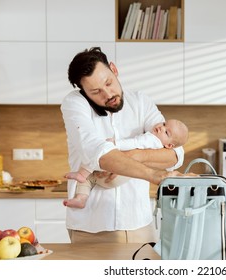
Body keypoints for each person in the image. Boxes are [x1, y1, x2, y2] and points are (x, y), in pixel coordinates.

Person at [61, 47, 185, 243]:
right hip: (92, 226)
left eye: (108, 83)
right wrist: (153, 174)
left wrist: (132, 157)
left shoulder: (141, 102)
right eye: (96, 92)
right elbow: (96, 152)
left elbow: (174, 154)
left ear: (114, 69)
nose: (108, 94)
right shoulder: (75, 104)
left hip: (139, 222)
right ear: (83, 92)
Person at [63, 119, 189, 209]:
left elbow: (134, 143)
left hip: (116, 173)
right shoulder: (158, 142)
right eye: (164, 123)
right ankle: (81, 199)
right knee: (91, 173)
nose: (162, 127)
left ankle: (81, 187)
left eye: (167, 132)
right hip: (118, 178)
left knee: (93, 156)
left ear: (169, 145)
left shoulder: (152, 139)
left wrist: (115, 143)